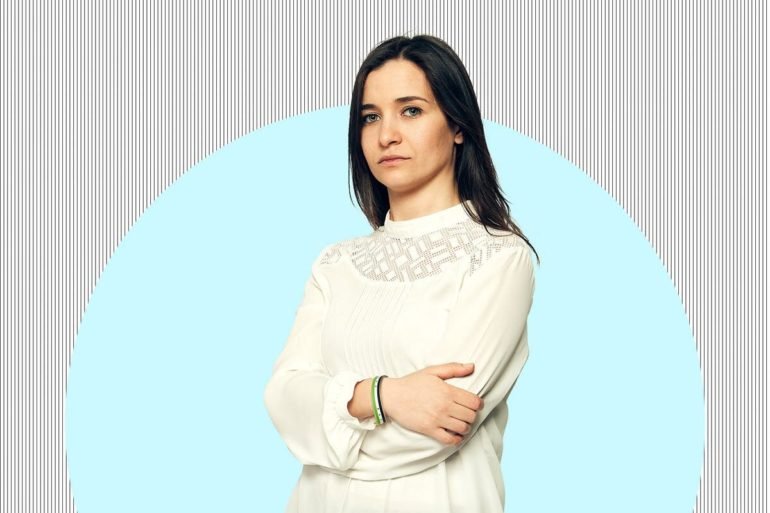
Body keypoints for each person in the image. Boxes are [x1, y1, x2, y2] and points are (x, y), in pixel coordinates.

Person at [264, 34, 539, 513]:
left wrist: (327, 428)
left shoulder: (498, 258)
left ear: (457, 124)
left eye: (411, 110)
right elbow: (284, 399)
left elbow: (440, 430)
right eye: (370, 117)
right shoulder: (336, 263)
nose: (386, 135)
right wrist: (382, 396)